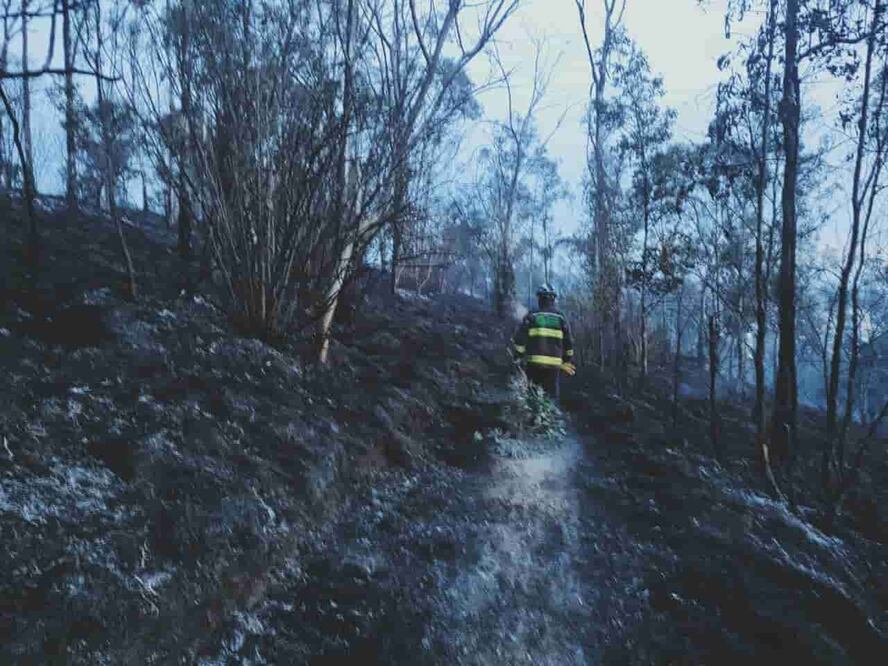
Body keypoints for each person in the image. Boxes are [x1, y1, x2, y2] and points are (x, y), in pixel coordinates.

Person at [512, 284, 575, 401]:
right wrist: (567, 360)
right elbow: (568, 342)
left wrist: (518, 356)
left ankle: (534, 416)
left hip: (533, 364)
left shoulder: (532, 315)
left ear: (539, 299)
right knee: (551, 398)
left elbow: (520, 339)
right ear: (553, 299)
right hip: (554, 366)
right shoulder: (560, 317)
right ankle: (551, 416)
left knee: (532, 395)